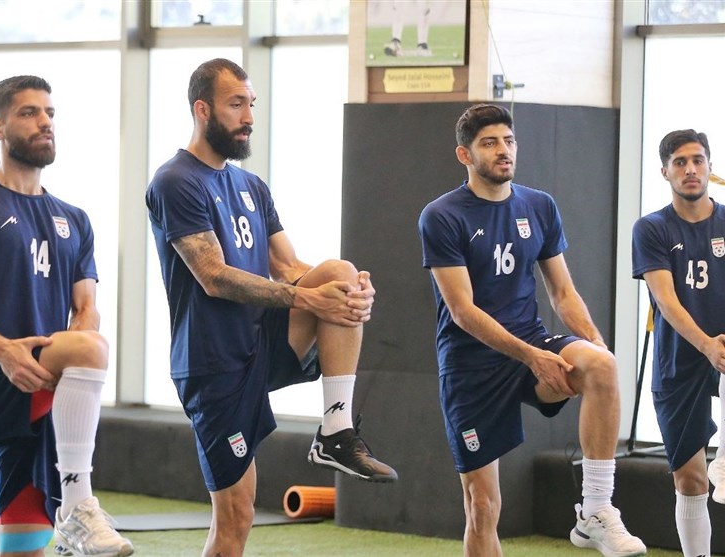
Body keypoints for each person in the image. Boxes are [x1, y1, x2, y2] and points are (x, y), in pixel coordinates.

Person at [145, 58, 397, 557]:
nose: (248, 117)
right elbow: (213, 276)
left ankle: (336, 430)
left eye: (251, 104)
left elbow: (289, 266)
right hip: (213, 363)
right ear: (202, 110)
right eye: (235, 104)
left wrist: (348, 292)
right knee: (236, 517)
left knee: (339, 272)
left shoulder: (251, 186)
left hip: (261, 341)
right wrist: (307, 298)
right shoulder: (176, 180)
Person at [417, 104, 646, 557]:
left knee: (602, 365)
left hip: (532, 342)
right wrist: (531, 356)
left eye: (509, 141)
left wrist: (596, 346)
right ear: (465, 155)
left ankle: (595, 510)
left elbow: (563, 292)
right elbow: (462, 311)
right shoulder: (442, 215)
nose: (503, 150)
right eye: (489, 143)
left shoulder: (539, 205)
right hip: (471, 366)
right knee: (483, 506)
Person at [0, 75, 133, 557]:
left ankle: (68, 520)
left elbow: (87, 309)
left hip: (45, 388)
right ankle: (78, 507)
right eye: (29, 112)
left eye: (50, 113)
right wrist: (4, 351)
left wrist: (65, 365)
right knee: (90, 349)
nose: (45, 122)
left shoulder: (74, 220)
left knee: (23, 548)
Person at [632, 129, 725, 557]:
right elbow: (666, 301)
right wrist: (706, 345)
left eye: (697, 160)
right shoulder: (651, 228)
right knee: (690, 479)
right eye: (680, 162)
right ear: (665, 172)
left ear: (709, 166)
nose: (690, 169)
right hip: (679, 361)